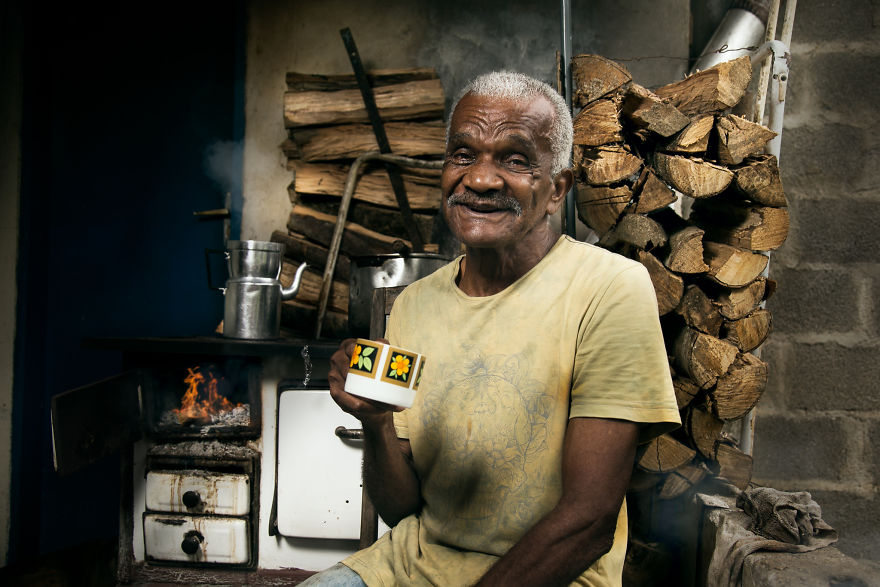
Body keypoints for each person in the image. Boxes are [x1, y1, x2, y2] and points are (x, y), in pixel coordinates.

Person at [304, 71, 681, 586]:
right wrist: (374, 423)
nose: (480, 179)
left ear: (557, 191)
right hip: (407, 570)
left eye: (516, 159)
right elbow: (402, 509)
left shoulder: (609, 288)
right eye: (463, 155)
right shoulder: (414, 304)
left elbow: (589, 523)